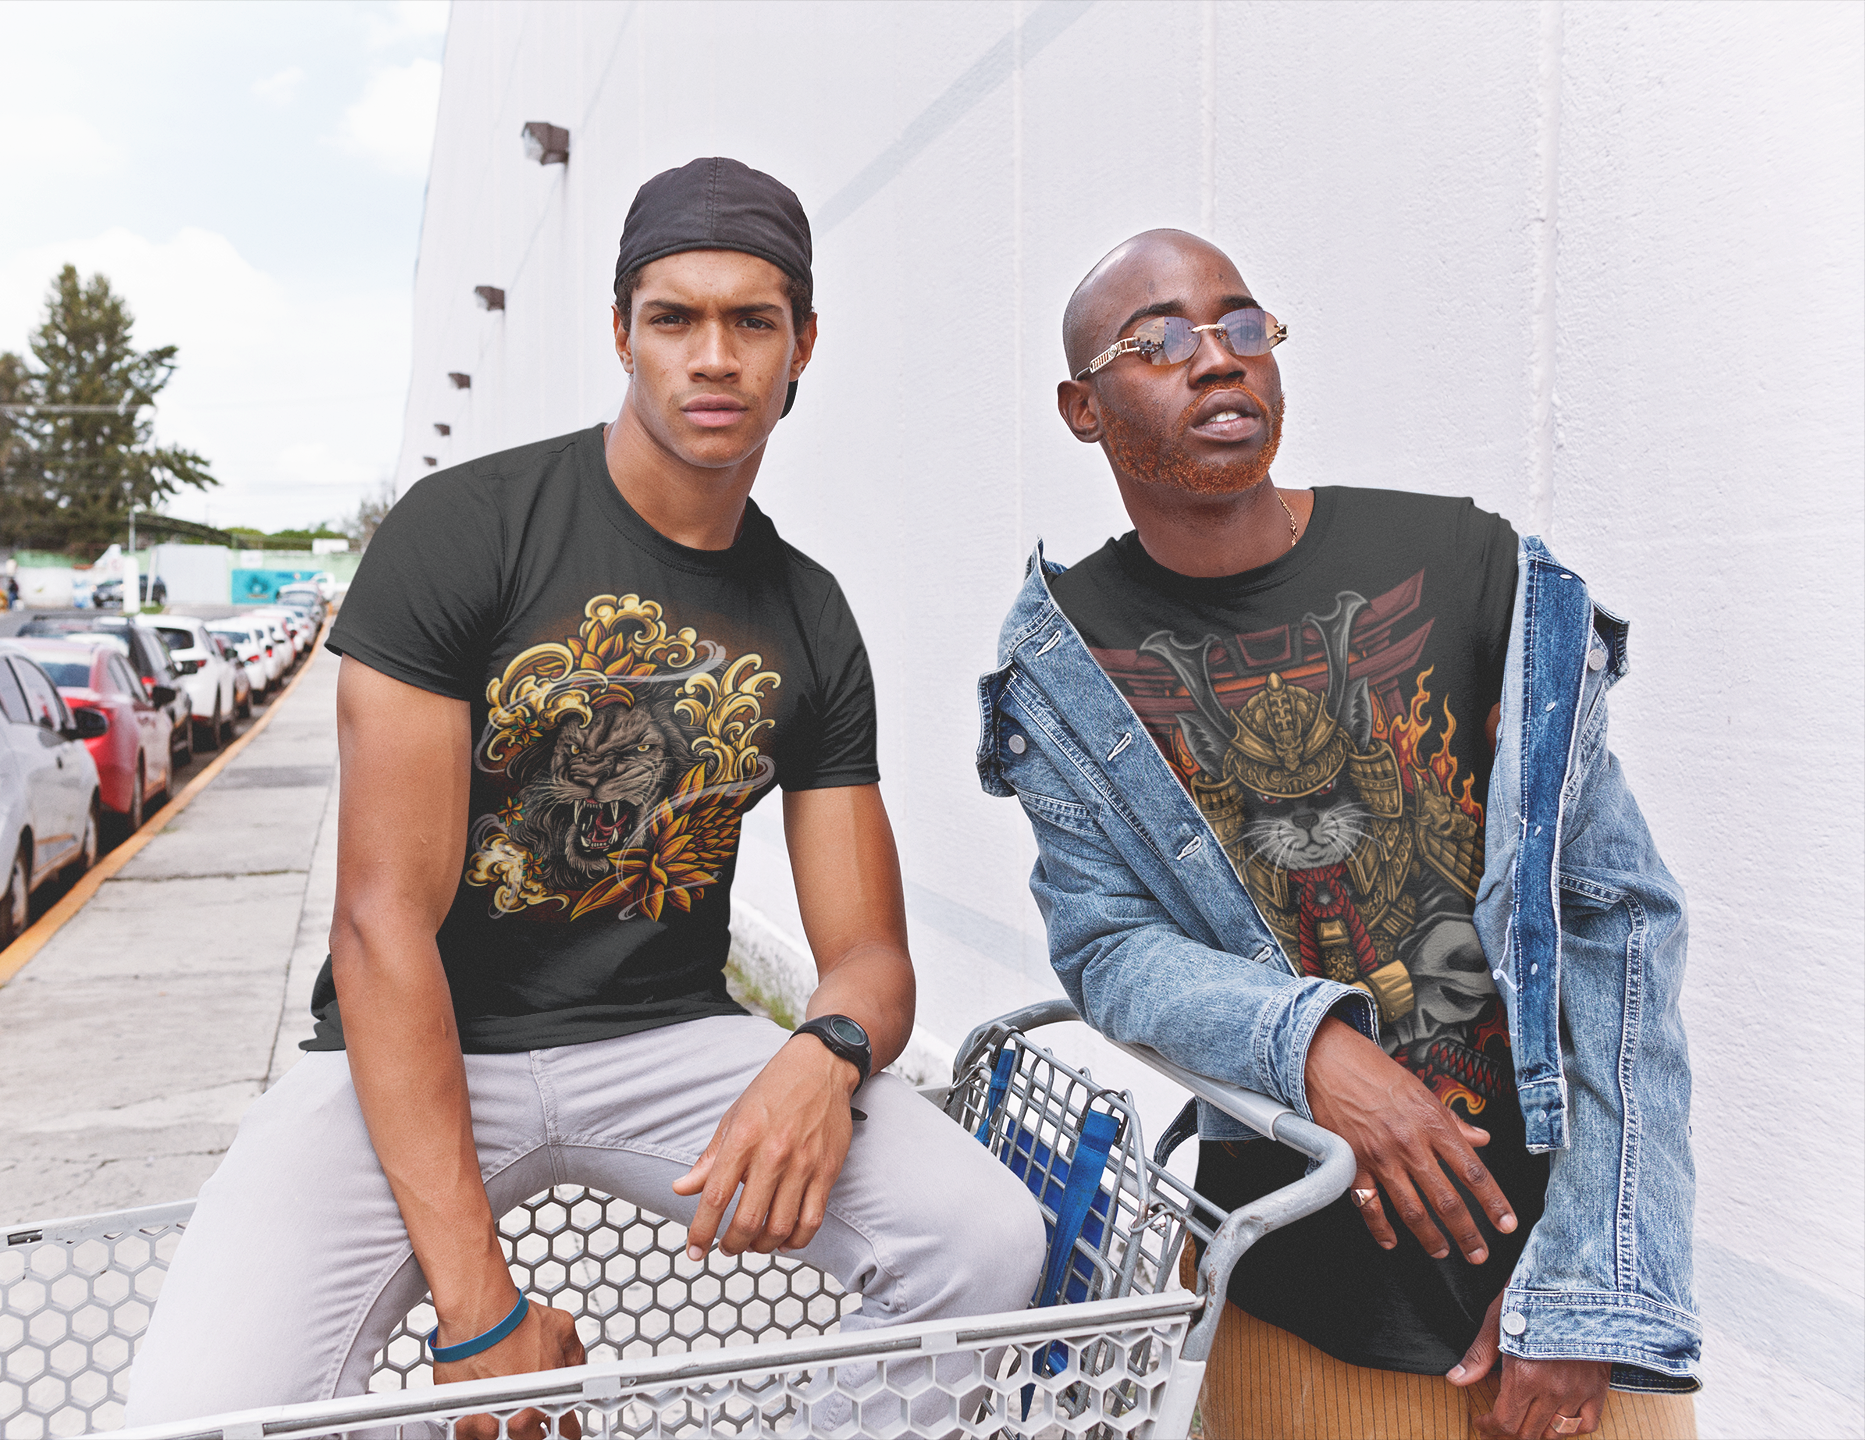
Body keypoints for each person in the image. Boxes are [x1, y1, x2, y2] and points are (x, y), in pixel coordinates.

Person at [127, 157, 1044, 1427]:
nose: (713, 357)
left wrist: (823, 1054)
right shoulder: (467, 530)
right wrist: (484, 1315)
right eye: (675, 318)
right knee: (184, 1415)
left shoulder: (809, 613)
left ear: (803, 346)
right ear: (621, 332)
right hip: (421, 1039)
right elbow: (380, 922)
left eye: (752, 320)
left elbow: (873, 960)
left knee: (985, 1241)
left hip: (666, 1038)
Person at [976, 229, 1699, 1440]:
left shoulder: (1463, 563)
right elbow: (1104, 944)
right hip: (1304, 1292)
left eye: (1241, 325)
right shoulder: (1067, 660)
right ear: (1081, 408)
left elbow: (1618, 921)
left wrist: (1586, 1295)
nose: (1215, 361)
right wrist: (1312, 1048)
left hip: (1561, 1278)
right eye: (1155, 341)